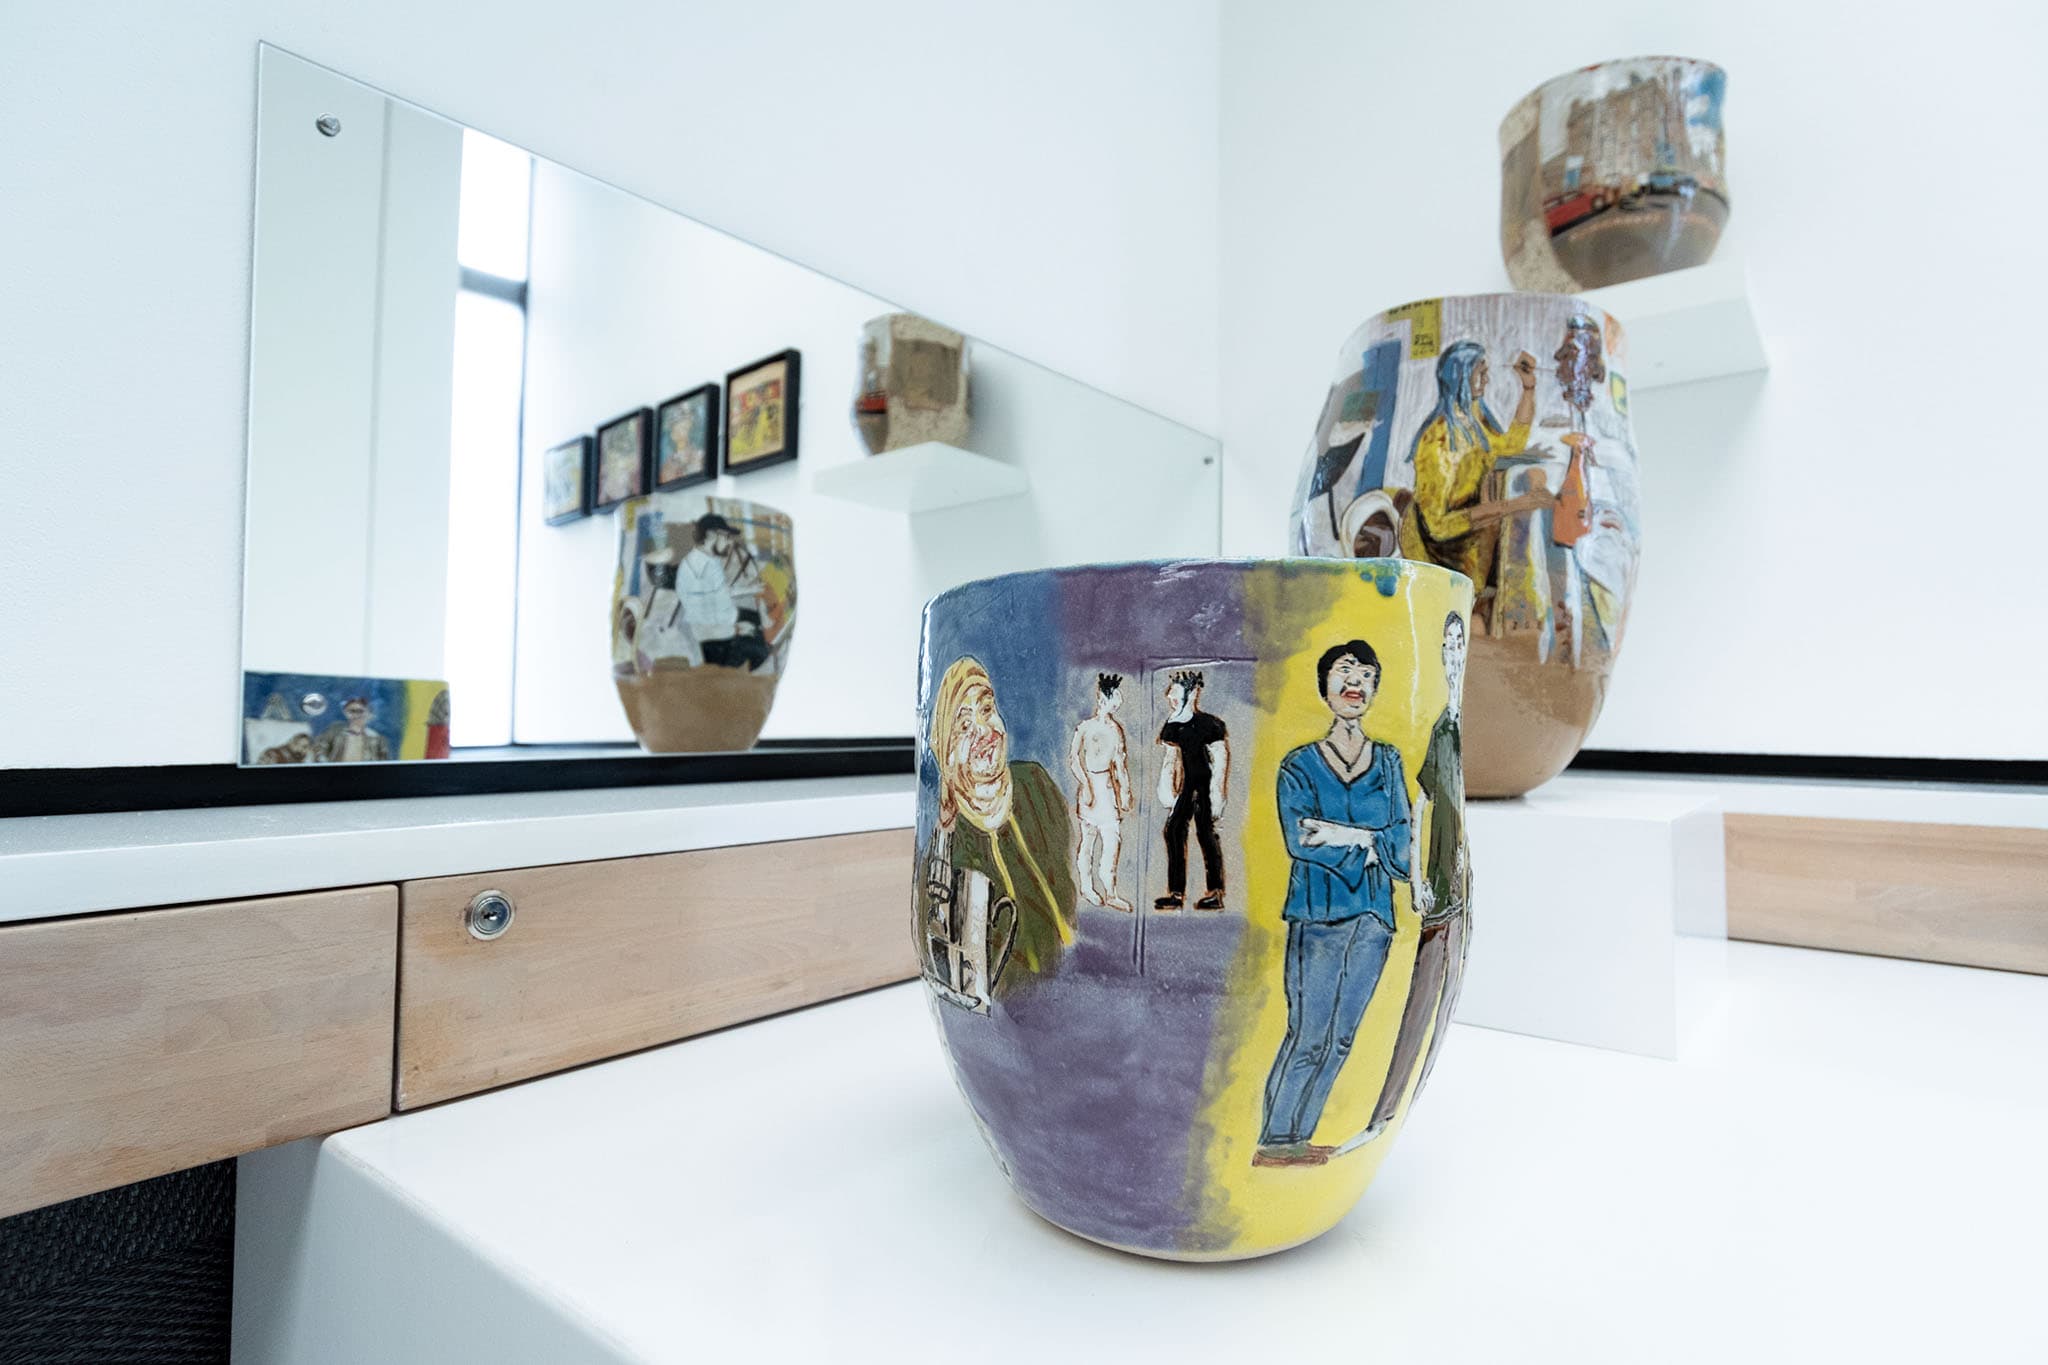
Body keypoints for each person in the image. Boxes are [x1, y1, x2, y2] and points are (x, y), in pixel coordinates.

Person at [1256, 640, 1412, 1168]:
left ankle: (1299, 1142)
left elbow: (1401, 841)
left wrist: (1347, 835)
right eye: (1345, 672)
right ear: (1325, 687)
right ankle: (1275, 1140)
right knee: (1309, 1034)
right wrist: (1369, 839)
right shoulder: (1298, 766)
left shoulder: (1388, 761)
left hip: (1374, 916)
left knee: (1342, 1039)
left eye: (1366, 675)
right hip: (1318, 914)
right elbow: (1301, 839)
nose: (1356, 683)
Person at [1359, 612, 1470, 1145]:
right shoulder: (1441, 728)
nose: (1452, 653)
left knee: (1438, 993)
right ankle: (1380, 1115)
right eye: (1445, 644)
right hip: (1438, 890)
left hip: (1460, 890)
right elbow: (1421, 802)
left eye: (1457, 644)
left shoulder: (1452, 722)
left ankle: (1386, 1114)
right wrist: (1416, 878)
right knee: (1418, 1002)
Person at [928, 658, 1077, 986]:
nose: (984, 731)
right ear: (947, 753)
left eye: (986, 710)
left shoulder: (1037, 784)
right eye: (964, 727)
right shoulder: (948, 852)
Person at [1398, 340, 1540, 619]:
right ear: (1461, 376)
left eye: (1487, 371)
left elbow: (1510, 445)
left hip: (1470, 538)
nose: (1487, 379)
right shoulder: (1437, 443)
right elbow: (1438, 526)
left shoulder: (1474, 419)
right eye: (1480, 372)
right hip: (1435, 551)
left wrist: (1528, 388)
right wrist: (1510, 506)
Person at [1155, 670, 1229, 911]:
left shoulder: (1208, 724)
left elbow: (1220, 757)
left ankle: (1216, 892)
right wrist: (1167, 790)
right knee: (1174, 830)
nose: (1170, 696)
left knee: (1206, 834)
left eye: (1175, 691)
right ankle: (1176, 893)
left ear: (1192, 693)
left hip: (1206, 786)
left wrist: (1218, 792)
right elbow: (1171, 759)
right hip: (1188, 787)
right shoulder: (1173, 725)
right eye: (1170, 691)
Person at [1068, 672, 1134, 912]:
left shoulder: (1116, 730)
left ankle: (1111, 892)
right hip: (1090, 788)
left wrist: (1125, 791)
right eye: (1114, 697)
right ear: (1102, 698)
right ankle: (1087, 887)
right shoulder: (1085, 728)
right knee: (1088, 840)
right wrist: (1085, 784)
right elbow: (1074, 758)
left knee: (1112, 840)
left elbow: (1120, 764)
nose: (1118, 702)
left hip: (1107, 789)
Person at [679, 515, 770, 671]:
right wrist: (736, 629)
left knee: (755, 618)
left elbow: (719, 590)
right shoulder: (701, 569)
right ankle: (729, 678)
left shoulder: (703, 559)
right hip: (713, 645)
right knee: (762, 649)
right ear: (711, 536)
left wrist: (750, 589)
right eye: (726, 537)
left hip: (717, 622)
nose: (730, 542)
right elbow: (703, 626)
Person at [311, 697, 390, 763]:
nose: (356, 715)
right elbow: (319, 749)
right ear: (345, 713)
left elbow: (384, 760)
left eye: (360, 711)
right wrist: (326, 765)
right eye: (352, 711)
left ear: (368, 713)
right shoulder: (335, 731)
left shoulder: (376, 737)